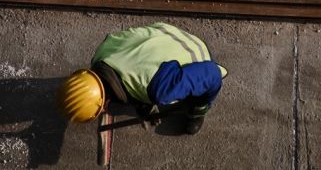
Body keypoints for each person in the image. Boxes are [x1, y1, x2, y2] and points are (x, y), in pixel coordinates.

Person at [57, 22, 227, 135]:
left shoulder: (161, 90)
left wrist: (201, 105)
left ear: (103, 104)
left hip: (197, 55)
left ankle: (197, 111)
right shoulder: (101, 53)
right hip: (167, 36)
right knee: (139, 91)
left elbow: (212, 74)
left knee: (191, 95)